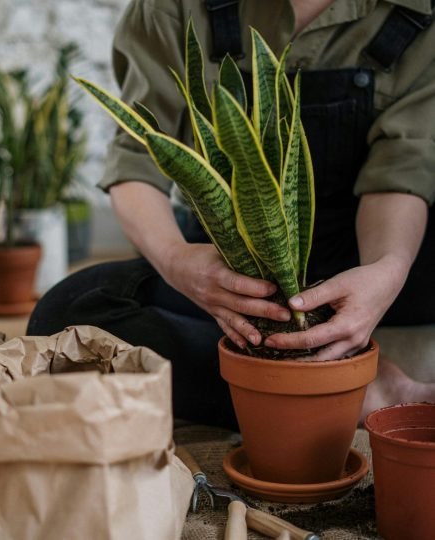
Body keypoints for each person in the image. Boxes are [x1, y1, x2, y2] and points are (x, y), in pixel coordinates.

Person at [27, 0, 435, 427]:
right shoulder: (174, 6)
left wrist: (388, 269)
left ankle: (292, 384)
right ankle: (358, 388)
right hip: (242, 280)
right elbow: (138, 164)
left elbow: (400, 174)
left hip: (381, 268)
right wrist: (175, 260)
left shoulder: (417, 10)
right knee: (67, 312)